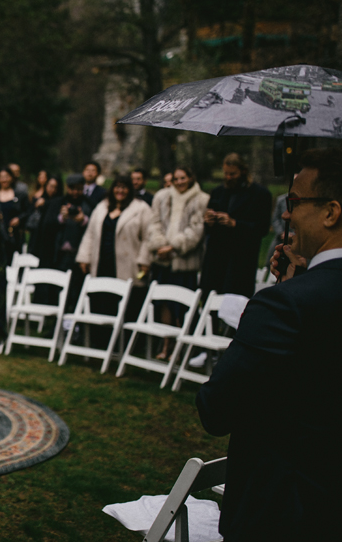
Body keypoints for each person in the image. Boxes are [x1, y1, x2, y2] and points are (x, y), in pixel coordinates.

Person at [196, 147, 342, 542]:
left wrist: (280, 297)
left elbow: (216, 408)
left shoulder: (285, 306)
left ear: (331, 212)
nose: (286, 214)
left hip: (286, 512)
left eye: (294, 202)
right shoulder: (297, 296)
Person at [146, 166, 209, 359]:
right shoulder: (162, 197)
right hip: (163, 260)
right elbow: (154, 223)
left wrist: (173, 247)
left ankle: (183, 348)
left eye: (183, 178)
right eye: (176, 178)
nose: (179, 182)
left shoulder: (201, 200)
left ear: (191, 178)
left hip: (184, 261)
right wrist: (160, 245)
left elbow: (196, 229)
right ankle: (166, 345)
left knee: (182, 305)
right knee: (164, 303)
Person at [77, 175, 152, 322]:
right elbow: (90, 234)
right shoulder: (102, 206)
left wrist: (144, 260)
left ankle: (124, 339)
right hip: (102, 261)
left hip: (127, 262)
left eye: (124, 187)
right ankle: (101, 336)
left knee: (126, 300)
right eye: (117, 187)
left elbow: (148, 237)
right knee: (102, 297)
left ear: (130, 190)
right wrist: (84, 257)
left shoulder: (141, 208)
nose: (120, 191)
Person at [199, 153, 272, 298]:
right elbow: (207, 229)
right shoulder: (218, 192)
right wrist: (209, 220)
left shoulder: (259, 194)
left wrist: (235, 224)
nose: (228, 178)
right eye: (225, 174)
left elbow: (262, 228)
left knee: (234, 301)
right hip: (216, 259)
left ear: (243, 171)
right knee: (210, 300)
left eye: (233, 174)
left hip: (241, 260)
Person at [42, 174, 94, 310]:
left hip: (79, 256)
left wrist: (83, 220)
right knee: (57, 289)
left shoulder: (89, 204)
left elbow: (95, 230)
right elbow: (46, 226)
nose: (75, 192)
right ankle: (56, 321)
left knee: (76, 290)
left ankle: (74, 323)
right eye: (72, 189)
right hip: (59, 254)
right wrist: (61, 218)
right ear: (66, 188)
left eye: (78, 189)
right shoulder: (57, 202)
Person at [0, 166, 30, 261]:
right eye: (1, 177)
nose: (4, 179)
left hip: (14, 235)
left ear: (11, 178)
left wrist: (19, 219)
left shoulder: (20, 195)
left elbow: (28, 211)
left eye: (6, 176)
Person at [28, 175, 62, 267]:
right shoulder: (40, 199)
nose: (53, 189)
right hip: (37, 240)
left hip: (50, 243)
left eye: (56, 187)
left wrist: (46, 203)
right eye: (51, 186)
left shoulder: (59, 201)